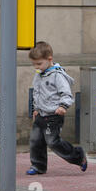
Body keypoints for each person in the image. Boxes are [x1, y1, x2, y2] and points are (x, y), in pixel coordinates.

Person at [26, 41, 87, 175]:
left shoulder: (58, 76)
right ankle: (38, 166)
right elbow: (36, 93)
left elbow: (66, 93)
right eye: (34, 64)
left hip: (53, 115)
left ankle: (78, 155)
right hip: (41, 114)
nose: (36, 67)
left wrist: (63, 106)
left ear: (49, 59)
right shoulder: (39, 74)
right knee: (36, 141)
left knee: (52, 142)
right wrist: (35, 109)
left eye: (39, 64)